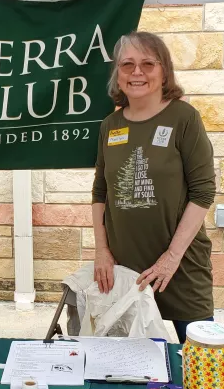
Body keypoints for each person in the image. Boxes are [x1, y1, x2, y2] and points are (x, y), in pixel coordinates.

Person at [91, 31, 216, 344]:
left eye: (148, 63)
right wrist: (102, 251)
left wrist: (170, 258)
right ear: (117, 75)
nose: (137, 72)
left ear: (164, 72)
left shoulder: (184, 118)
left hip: (180, 267)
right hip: (125, 271)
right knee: (130, 368)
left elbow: (203, 192)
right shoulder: (110, 125)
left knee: (200, 362)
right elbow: (100, 192)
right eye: (127, 65)